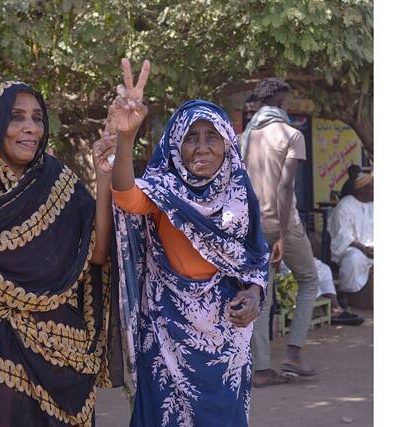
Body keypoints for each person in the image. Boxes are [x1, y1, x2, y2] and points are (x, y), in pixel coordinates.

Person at [0, 82, 123, 426]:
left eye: (36, 118)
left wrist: (103, 179)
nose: (30, 127)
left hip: (60, 352)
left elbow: (98, 255)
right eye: (16, 117)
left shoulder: (60, 183)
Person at [109, 59, 272, 426]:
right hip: (167, 327)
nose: (201, 148)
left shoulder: (241, 193)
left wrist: (254, 293)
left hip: (226, 334)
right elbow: (125, 196)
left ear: (227, 143)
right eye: (190, 138)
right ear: (175, 146)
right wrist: (125, 137)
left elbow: (254, 258)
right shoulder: (163, 190)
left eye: (211, 136)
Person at [239, 78, 320, 386]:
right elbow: (286, 187)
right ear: (283, 103)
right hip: (282, 224)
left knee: (262, 294)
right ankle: (294, 353)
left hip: (252, 228)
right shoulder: (292, 135)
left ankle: (261, 369)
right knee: (309, 281)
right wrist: (284, 236)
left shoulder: (243, 137)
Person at [329, 172, 374, 308]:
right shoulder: (344, 205)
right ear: (361, 190)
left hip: (371, 248)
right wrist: (363, 249)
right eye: (372, 188)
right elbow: (343, 235)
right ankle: (347, 294)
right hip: (353, 248)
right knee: (354, 259)